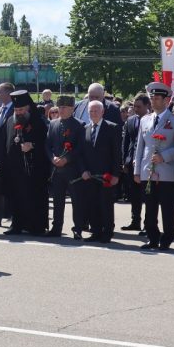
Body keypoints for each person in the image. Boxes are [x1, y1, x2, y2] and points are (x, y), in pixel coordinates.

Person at [134, 82, 174, 251]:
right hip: (148, 171)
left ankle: (167, 239)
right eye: (152, 98)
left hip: (167, 172)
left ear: (166, 100)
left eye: (157, 98)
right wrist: (137, 170)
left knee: (167, 208)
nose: (153, 101)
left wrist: (164, 156)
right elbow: (140, 147)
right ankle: (152, 237)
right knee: (149, 207)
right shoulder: (145, 120)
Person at [2, 90, 51, 236]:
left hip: (34, 168)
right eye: (16, 110)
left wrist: (33, 145)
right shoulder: (11, 120)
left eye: (21, 110)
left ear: (28, 108)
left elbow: (46, 144)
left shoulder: (38, 121)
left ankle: (36, 226)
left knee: (35, 196)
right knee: (16, 196)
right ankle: (16, 224)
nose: (18, 113)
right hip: (15, 168)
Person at [44, 95, 86, 238]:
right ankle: (56, 228)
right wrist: (52, 158)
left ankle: (78, 228)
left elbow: (80, 148)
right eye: (59, 107)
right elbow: (48, 145)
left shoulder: (79, 125)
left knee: (77, 200)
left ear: (72, 109)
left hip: (73, 169)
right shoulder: (53, 124)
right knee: (57, 200)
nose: (61, 110)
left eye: (64, 108)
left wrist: (67, 159)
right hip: (56, 169)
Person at [80, 101, 121, 243]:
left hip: (106, 175)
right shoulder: (85, 128)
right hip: (90, 176)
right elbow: (82, 154)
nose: (93, 114)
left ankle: (107, 232)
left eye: (96, 111)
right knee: (92, 204)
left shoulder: (112, 128)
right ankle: (95, 231)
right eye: (91, 111)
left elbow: (116, 153)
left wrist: (116, 174)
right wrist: (83, 170)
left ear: (102, 112)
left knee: (106, 205)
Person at [121, 94, 149, 233]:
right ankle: (135, 221)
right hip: (131, 163)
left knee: (147, 195)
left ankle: (148, 224)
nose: (136, 109)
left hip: (146, 163)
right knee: (134, 194)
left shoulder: (151, 120)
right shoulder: (130, 121)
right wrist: (124, 162)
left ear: (147, 106)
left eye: (139, 107)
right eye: (134, 106)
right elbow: (126, 142)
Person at [0, 82, 15, 228]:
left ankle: (13, 218)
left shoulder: (16, 109)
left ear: (9, 93)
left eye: (0, 91)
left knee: (12, 188)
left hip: (11, 156)